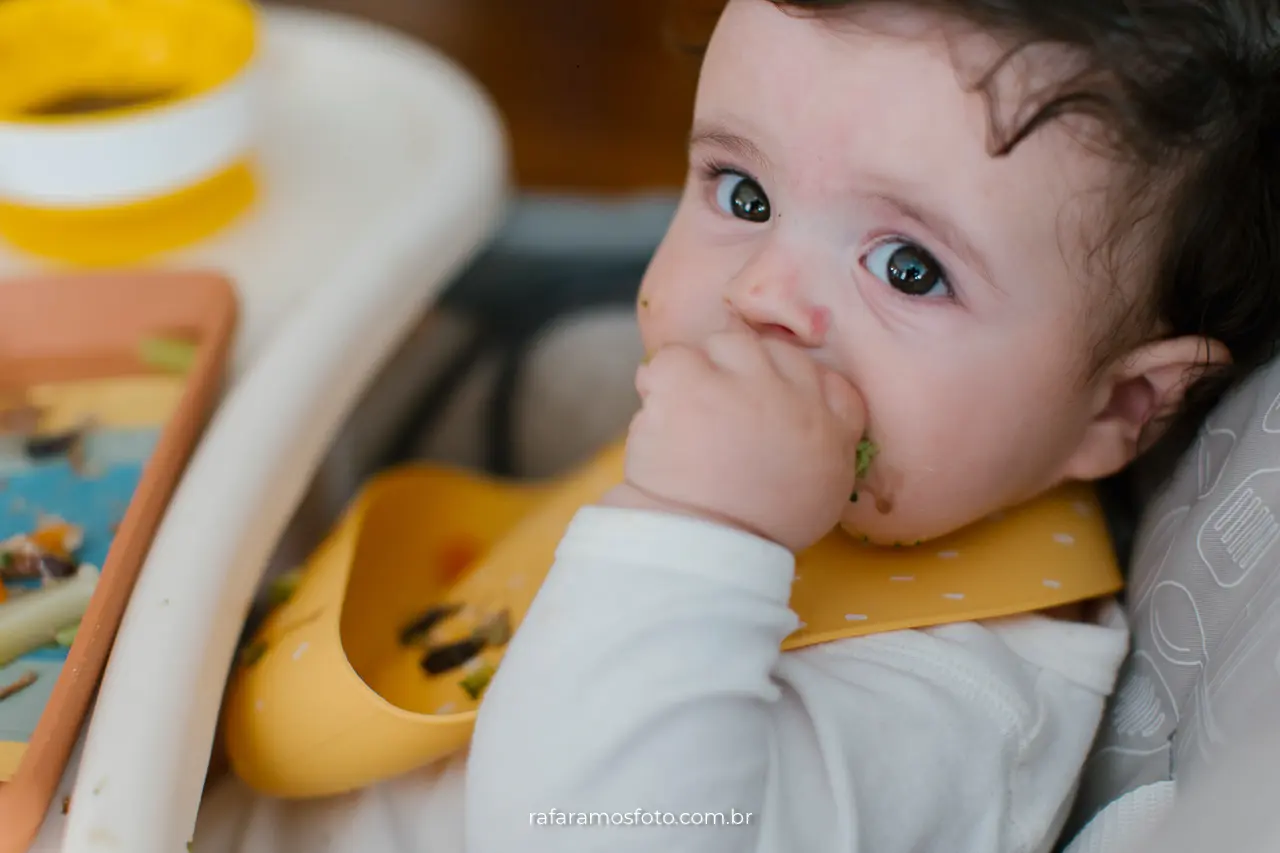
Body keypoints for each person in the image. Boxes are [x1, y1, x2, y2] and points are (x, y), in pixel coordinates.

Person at [192, 0, 1280, 851]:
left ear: (1118, 406)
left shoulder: (946, 708)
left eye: (908, 267)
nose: (761, 291)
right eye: (742, 192)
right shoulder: (812, 438)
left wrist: (695, 526)